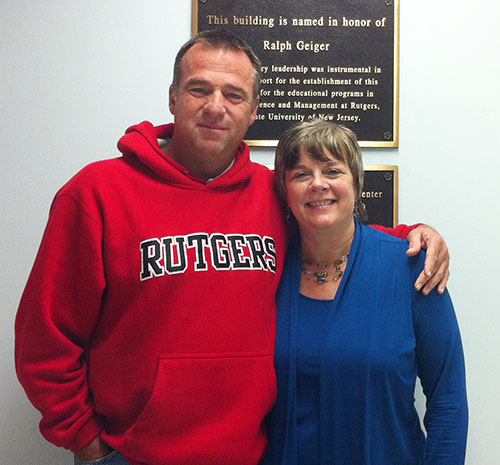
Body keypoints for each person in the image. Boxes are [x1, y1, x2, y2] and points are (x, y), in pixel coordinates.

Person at [15, 30, 450, 465]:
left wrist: (414, 235)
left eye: (234, 94)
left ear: (254, 110)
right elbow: (44, 341)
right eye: (199, 89)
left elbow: (329, 226)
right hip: (132, 454)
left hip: (252, 454)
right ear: (172, 97)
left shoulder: (270, 193)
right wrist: (87, 444)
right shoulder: (97, 194)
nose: (215, 107)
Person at [262, 119, 468, 465]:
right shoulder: (268, 272)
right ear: (285, 191)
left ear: (356, 185)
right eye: (301, 174)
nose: (317, 184)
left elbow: (448, 398)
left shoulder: (412, 271)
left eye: (332, 171)